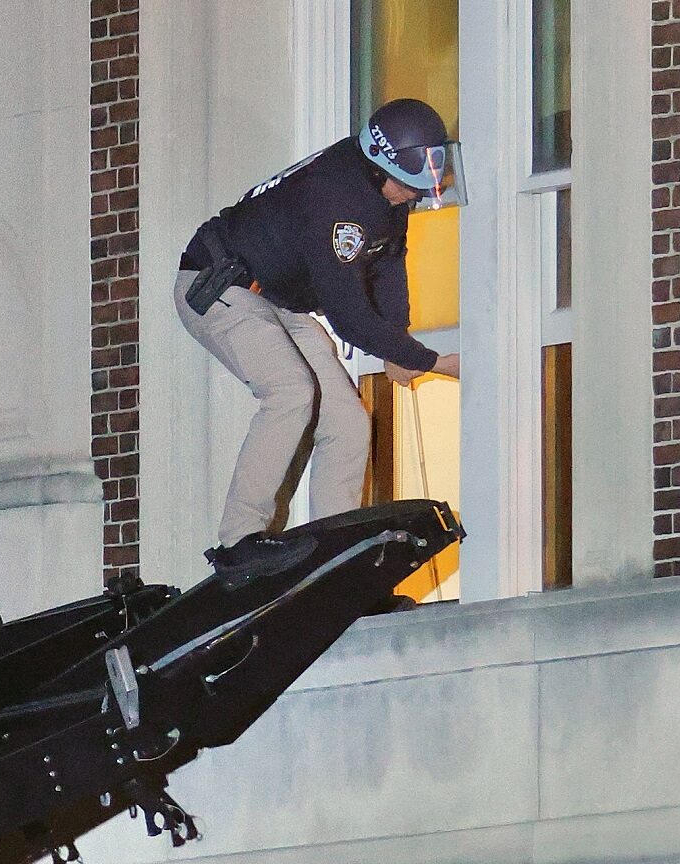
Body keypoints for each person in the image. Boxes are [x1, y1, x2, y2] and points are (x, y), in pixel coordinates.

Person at [177, 97, 466, 579]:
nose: (411, 197)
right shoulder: (338, 200)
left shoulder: (387, 198)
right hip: (216, 281)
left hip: (275, 298)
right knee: (291, 391)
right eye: (407, 187)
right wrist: (433, 362)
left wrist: (397, 340)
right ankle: (237, 544)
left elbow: (390, 262)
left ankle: (336, 561)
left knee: (349, 422)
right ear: (379, 169)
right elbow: (349, 316)